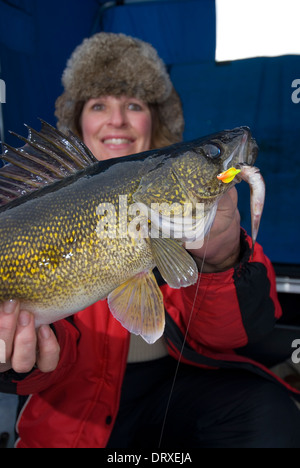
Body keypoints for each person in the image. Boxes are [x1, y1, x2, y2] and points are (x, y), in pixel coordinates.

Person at [0, 32, 300, 448]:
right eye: (99, 104)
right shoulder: (47, 196)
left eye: (134, 105)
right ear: (79, 121)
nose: (117, 120)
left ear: (155, 121)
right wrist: (18, 363)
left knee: (267, 410)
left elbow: (238, 335)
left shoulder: (205, 216)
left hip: (176, 397)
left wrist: (223, 258)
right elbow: (50, 360)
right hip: (76, 414)